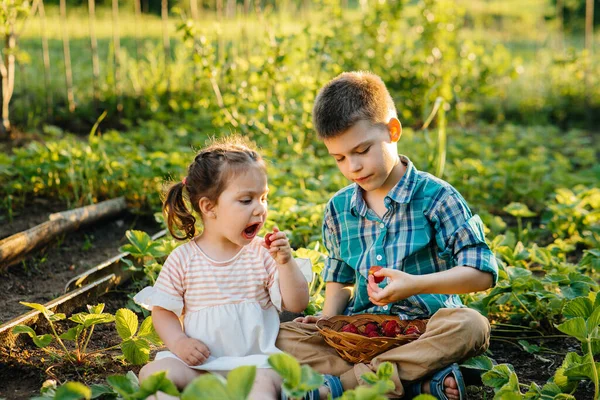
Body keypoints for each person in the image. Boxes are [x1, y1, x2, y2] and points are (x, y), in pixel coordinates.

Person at [276, 71, 498, 400]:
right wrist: (327, 320)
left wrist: (414, 284)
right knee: (279, 335)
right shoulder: (338, 209)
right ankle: (419, 381)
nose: (353, 166)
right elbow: (340, 278)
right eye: (339, 158)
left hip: (428, 328)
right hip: (360, 337)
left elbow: (481, 274)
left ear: (392, 131)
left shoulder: (437, 197)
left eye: (362, 150)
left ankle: (347, 385)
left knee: (472, 326)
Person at [134, 136, 310, 400]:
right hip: (201, 367)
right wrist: (180, 343)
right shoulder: (183, 259)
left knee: (265, 384)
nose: (260, 209)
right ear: (209, 207)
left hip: (254, 364)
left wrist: (285, 263)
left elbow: (296, 303)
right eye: (246, 200)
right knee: (153, 372)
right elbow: (163, 312)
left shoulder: (263, 254)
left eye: (264, 198)